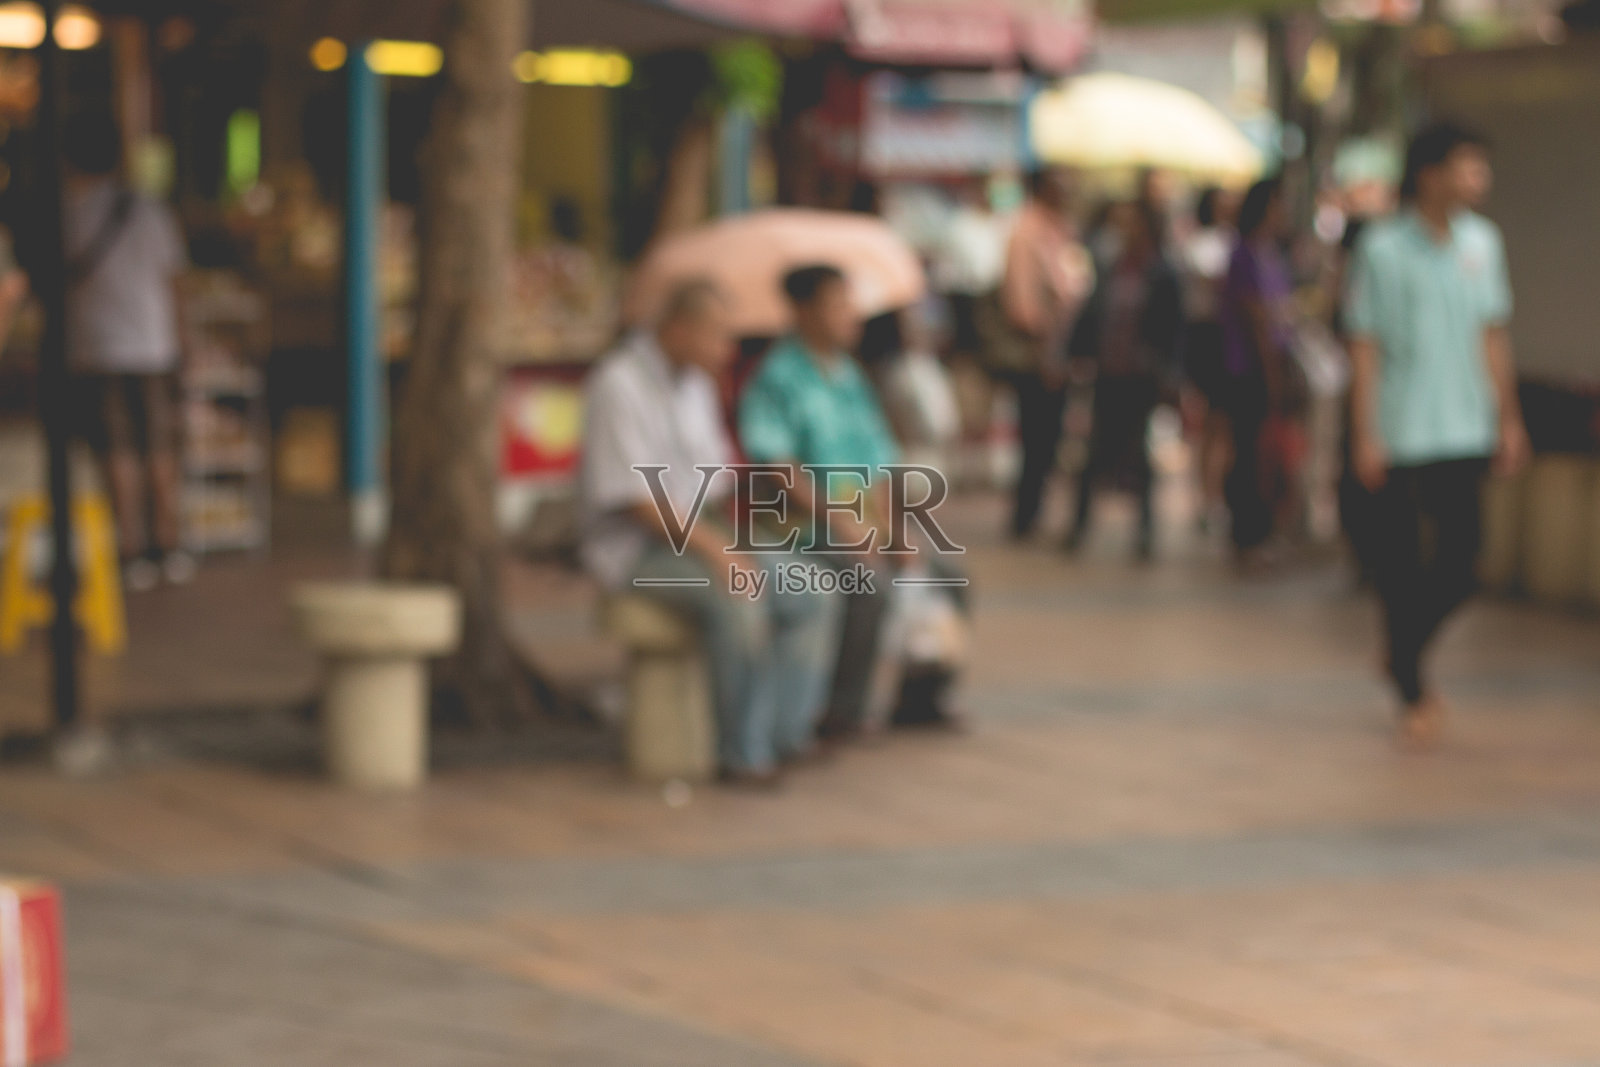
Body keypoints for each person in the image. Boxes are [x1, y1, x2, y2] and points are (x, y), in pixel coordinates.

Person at [578, 280, 841, 787]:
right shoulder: (618, 383)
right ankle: (742, 754)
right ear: (678, 330)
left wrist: (745, 539)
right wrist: (720, 552)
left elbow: (716, 482)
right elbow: (639, 502)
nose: (728, 350)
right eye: (717, 336)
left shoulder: (695, 385)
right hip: (637, 548)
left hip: (700, 532)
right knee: (739, 597)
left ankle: (784, 734)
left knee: (814, 590)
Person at [1345, 121, 1529, 744]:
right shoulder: (1382, 248)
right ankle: (1411, 684)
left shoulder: (1483, 242)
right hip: (1401, 426)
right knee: (1399, 561)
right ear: (1430, 173)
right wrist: (1364, 432)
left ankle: (1402, 649)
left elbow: (1492, 333)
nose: (1480, 178)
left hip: (1464, 424)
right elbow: (1365, 345)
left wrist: (1507, 418)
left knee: (1462, 562)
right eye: (1467, 165)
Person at [739, 265, 964, 739]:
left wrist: (893, 529)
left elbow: (878, 462)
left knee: (945, 576)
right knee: (867, 583)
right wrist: (841, 521)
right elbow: (778, 466)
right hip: (801, 529)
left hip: (861, 520)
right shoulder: (777, 377)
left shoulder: (848, 377)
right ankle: (840, 710)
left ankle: (921, 697)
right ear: (803, 311)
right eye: (837, 303)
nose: (850, 314)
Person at [63, 110, 192, 591]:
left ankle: (132, 547)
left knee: (117, 450)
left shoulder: (69, 214)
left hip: (96, 348)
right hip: (154, 346)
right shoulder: (149, 210)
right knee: (159, 446)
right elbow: (176, 283)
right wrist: (184, 341)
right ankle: (169, 542)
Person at [1064, 200, 1184, 559]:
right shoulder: (1112, 266)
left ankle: (1144, 532)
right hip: (1109, 372)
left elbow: (1174, 329)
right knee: (1093, 452)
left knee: (1140, 456)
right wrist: (1078, 355)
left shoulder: (1162, 273)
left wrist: (1169, 372)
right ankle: (1080, 525)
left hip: (1140, 376)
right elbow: (1092, 314)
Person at [991, 168, 1093, 541]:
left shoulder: (1061, 232)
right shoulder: (1027, 234)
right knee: (1035, 439)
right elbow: (1022, 307)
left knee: (1047, 439)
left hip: (1058, 352)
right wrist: (1048, 349)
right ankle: (1025, 515)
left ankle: (1033, 511)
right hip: (1037, 356)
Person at [1218, 176, 1296, 563]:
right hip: (1248, 368)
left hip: (1267, 364)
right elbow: (1255, 316)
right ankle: (1247, 534)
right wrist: (1272, 371)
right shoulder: (1245, 253)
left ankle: (1261, 529)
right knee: (1250, 452)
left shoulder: (1271, 253)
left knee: (1263, 452)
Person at [1180, 186, 1240, 532]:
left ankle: (1215, 495)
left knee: (1222, 427)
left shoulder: (1232, 242)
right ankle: (1208, 497)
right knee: (1211, 424)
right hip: (1210, 340)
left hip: (1223, 340)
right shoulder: (1203, 244)